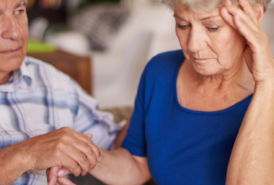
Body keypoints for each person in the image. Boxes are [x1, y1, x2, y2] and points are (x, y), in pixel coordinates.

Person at [48, 0, 274, 184]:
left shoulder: (269, 95)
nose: (193, 44)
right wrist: (84, 157)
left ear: (253, 17)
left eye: (212, 27)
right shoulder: (160, 72)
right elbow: (137, 165)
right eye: (183, 25)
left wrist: (266, 85)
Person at [0, 0, 125, 184]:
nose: (16, 32)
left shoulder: (52, 80)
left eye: (19, 11)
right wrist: (26, 155)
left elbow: (113, 146)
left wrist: (147, 117)